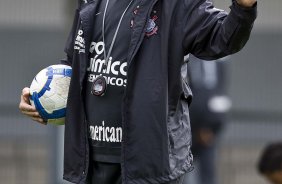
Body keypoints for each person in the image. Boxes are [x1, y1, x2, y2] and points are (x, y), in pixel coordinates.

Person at [19, 0, 257, 183]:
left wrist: (243, 8)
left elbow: (224, 38)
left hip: (148, 165)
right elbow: (75, 61)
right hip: (92, 160)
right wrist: (43, 98)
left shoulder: (177, 5)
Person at [183, 55, 231, 184]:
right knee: (182, 171)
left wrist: (210, 128)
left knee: (208, 172)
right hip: (187, 128)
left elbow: (219, 99)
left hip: (208, 128)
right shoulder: (188, 59)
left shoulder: (219, 63)